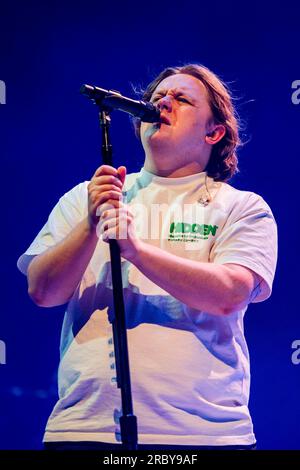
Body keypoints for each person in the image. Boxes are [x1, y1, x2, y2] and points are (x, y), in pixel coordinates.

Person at [17, 64, 277, 450]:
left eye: (181, 99)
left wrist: (136, 251)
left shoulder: (241, 206)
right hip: (85, 431)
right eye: (156, 99)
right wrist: (89, 224)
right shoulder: (86, 197)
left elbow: (229, 294)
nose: (162, 102)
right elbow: (43, 292)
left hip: (205, 433)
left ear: (213, 132)